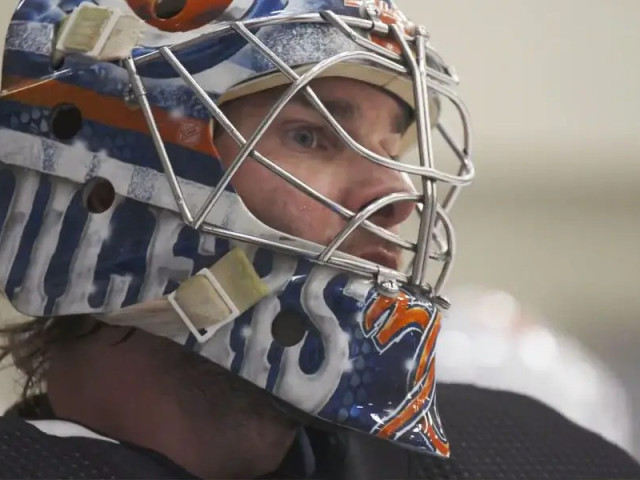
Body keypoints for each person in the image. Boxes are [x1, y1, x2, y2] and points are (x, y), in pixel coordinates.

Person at [0, 0, 637, 478]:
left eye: (394, 149)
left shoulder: (533, 452)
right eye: (311, 136)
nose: (397, 197)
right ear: (103, 188)